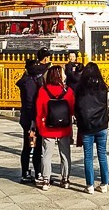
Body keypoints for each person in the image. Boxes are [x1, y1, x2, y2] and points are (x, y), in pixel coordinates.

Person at [75, 61, 109, 193]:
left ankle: (90, 185)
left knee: (88, 156)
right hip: (101, 125)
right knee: (102, 154)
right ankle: (104, 184)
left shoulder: (80, 89)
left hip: (86, 127)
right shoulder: (103, 87)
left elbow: (77, 108)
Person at [36, 64, 75, 188]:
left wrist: (39, 126)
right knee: (65, 154)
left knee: (46, 155)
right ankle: (65, 179)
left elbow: (39, 111)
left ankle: (46, 180)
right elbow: (72, 109)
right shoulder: (68, 91)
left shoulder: (43, 90)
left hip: (48, 128)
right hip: (64, 127)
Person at [16, 55, 45, 185]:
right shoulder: (29, 83)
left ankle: (33, 171)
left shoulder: (31, 80)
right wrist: (33, 120)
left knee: (33, 146)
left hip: (30, 118)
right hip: (31, 120)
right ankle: (29, 172)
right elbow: (30, 103)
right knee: (31, 146)